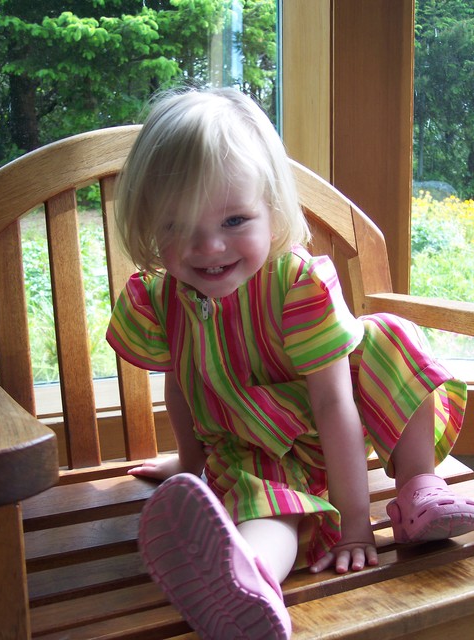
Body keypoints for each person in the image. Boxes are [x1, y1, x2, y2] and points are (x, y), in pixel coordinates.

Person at [106, 87, 474, 640]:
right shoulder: (157, 299)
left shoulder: (295, 284)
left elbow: (333, 401)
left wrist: (355, 525)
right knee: (268, 504)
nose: (207, 247)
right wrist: (189, 463)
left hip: (335, 432)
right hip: (250, 446)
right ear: (148, 224)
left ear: (272, 209)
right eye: (177, 226)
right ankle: (245, 584)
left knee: (388, 336)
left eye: (233, 220)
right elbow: (181, 384)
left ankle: (420, 486)